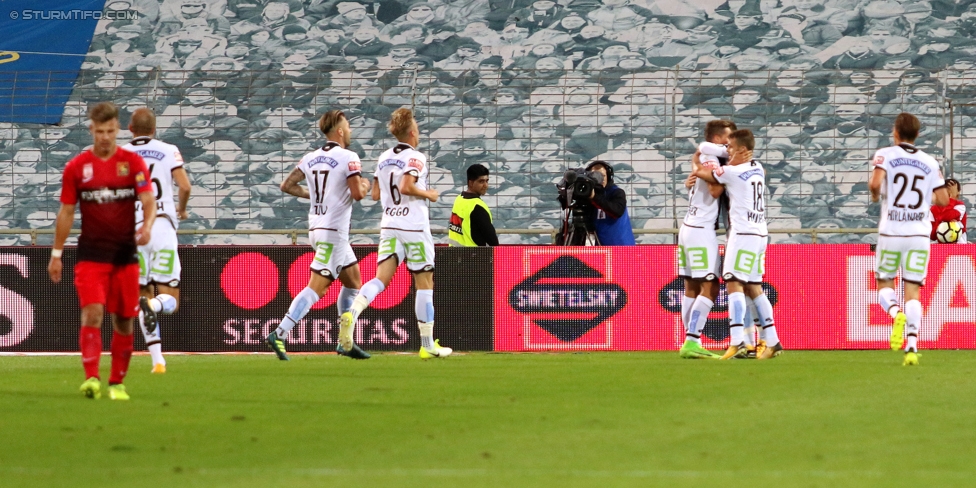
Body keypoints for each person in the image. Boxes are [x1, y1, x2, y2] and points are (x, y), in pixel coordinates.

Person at [48, 102, 156, 400]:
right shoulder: (76, 168)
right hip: (91, 255)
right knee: (92, 312)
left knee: (123, 319)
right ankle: (91, 378)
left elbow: (148, 200)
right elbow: (66, 212)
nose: (105, 137)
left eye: (110, 131)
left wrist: (146, 226)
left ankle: (116, 382)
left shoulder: (132, 163)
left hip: (124, 255)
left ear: (118, 129)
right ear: (91, 130)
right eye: (100, 131)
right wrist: (56, 254)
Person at [342, 108, 453, 359]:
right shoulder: (417, 157)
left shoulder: (383, 157)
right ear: (412, 132)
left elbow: (376, 194)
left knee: (380, 279)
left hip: (389, 224)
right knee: (424, 282)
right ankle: (427, 345)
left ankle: (353, 313)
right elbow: (406, 186)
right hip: (413, 226)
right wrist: (430, 194)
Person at [266, 110, 372, 360]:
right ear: (340, 131)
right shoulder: (349, 157)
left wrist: (314, 196)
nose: (351, 130)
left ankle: (344, 342)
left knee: (353, 281)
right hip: (332, 232)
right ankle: (279, 333)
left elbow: (286, 186)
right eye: (348, 125)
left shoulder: (310, 158)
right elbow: (358, 194)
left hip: (318, 228)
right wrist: (366, 185)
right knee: (317, 288)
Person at [694, 129, 782, 360]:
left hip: (743, 234)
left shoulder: (731, 172)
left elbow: (704, 167)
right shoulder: (758, 167)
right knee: (753, 286)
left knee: (733, 281)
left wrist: (696, 164)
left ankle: (737, 341)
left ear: (742, 149)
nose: (727, 151)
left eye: (731, 148)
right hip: (760, 232)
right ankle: (772, 341)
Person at [870, 113, 950, 366]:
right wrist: (926, 197)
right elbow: (944, 199)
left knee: (884, 283)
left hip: (891, 231)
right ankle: (912, 346)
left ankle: (896, 314)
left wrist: (875, 196)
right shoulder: (929, 161)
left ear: (896, 132)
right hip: (919, 234)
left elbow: (875, 184)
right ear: (917, 134)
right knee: (912, 291)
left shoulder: (886, 154)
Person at [121, 108, 192, 374]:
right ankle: (155, 306)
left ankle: (157, 361)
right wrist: (182, 209)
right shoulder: (167, 149)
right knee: (170, 299)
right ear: (154, 128)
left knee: (142, 294)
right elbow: (184, 186)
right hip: (161, 226)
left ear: (130, 128)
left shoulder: (123, 154)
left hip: (134, 231)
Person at [677, 120, 735, 359]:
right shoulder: (711, 159)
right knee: (710, 286)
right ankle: (692, 341)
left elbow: (698, 156)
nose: (731, 143)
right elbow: (714, 191)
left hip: (688, 227)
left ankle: (690, 340)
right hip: (701, 231)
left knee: (691, 287)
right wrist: (729, 173)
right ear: (719, 139)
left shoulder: (703, 155)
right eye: (729, 138)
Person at [587, 161, 636, 246]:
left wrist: (594, 197)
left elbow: (617, 211)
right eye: (594, 176)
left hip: (620, 247)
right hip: (600, 247)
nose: (599, 179)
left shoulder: (617, 192)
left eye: (603, 176)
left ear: (609, 176)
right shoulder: (589, 194)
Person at [448, 164, 498, 246]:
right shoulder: (477, 207)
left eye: (487, 181)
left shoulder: (459, 199)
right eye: (481, 181)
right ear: (471, 183)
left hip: (454, 255)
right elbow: (492, 241)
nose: (485, 185)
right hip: (474, 256)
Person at [930, 178, 968, 243]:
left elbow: (946, 216)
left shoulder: (960, 206)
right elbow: (932, 236)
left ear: (958, 192)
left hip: (959, 247)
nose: (948, 197)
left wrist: (952, 197)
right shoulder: (933, 209)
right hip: (938, 248)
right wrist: (940, 222)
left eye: (950, 194)